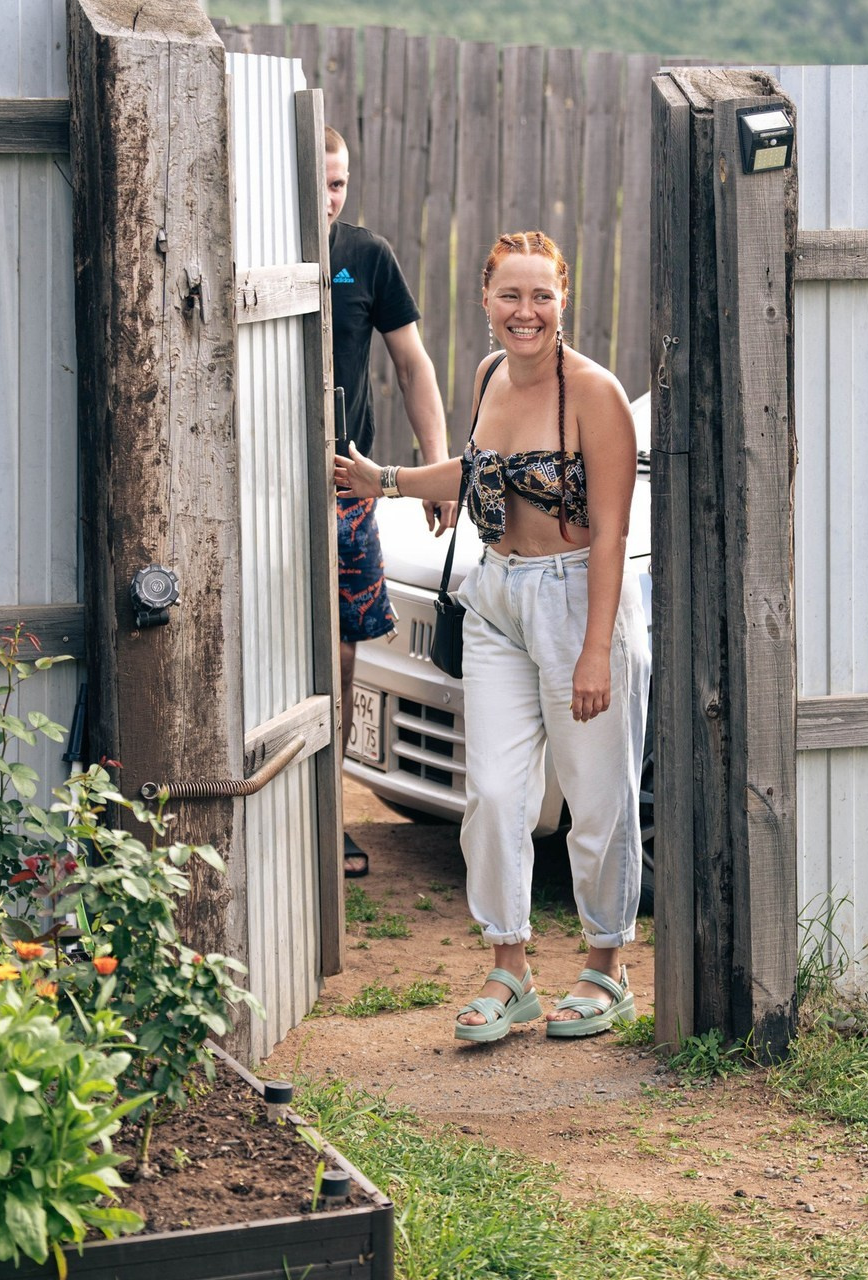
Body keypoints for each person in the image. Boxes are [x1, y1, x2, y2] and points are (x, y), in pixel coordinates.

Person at [335, 230, 650, 1040]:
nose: (526, 312)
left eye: (541, 295)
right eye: (510, 295)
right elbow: (477, 473)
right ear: (486, 300)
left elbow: (611, 533)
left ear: (563, 299)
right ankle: (509, 971)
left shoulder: (596, 396)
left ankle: (607, 966)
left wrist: (594, 650)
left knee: (596, 798)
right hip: (497, 600)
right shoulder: (484, 377)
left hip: (581, 600)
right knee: (496, 793)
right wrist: (388, 480)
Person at [324, 125, 455, 878]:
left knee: (342, 649)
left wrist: (436, 466)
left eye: (341, 183)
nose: (331, 197)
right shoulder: (250, 240)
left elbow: (412, 364)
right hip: (268, 485)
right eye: (321, 181)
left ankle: (328, 815)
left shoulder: (366, 255)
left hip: (348, 485)